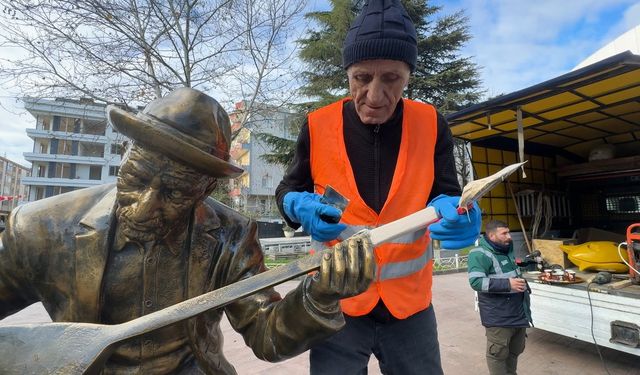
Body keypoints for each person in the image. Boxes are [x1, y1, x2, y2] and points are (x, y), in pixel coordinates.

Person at [0, 87, 376, 374]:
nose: (146, 206)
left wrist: (320, 296)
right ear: (125, 157)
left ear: (203, 191)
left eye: (175, 192)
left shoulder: (230, 235)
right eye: (136, 178)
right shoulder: (41, 228)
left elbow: (266, 333)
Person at [275, 1, 482, 373]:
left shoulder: (431, 123)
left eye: (391, 79)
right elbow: (287, 189)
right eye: (361, 77)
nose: (373, 95)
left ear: (409, 76)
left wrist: (458, 211)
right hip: (336, 301)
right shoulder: (317, 125)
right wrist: (298, 206)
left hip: (410, 308)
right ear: (347, 73)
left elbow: (445, 192)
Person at [467, 220, 533, 375]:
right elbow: (476, 282)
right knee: (497, 355)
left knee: (514, 351)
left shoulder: (505, 249)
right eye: (504, 233)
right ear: (491, 235)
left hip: (517, 313)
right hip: (499, 317)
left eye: (508, 232)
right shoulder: (479, 254)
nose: (509, 236)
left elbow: (509, 272)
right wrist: (507, 284)